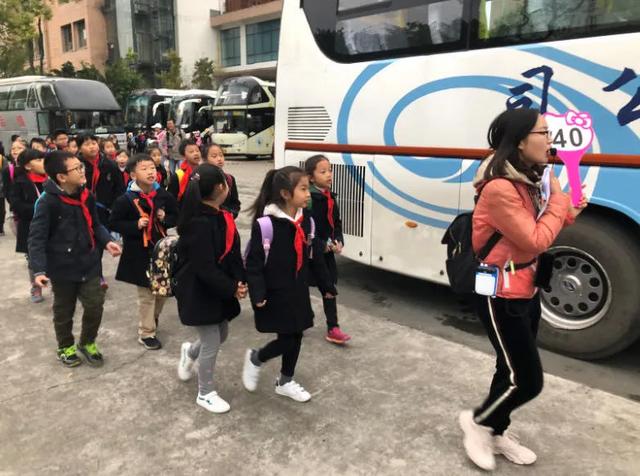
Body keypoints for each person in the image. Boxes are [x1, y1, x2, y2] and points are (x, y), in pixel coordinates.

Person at [459, 108, 587, 471]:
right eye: (543, 132)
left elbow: (542, 224)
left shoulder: (529, 179)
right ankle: (478, 422)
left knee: (509, 368)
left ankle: (496, 432)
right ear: (519, 141)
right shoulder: (500, 187)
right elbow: (534, 240)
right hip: (500, 293)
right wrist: (559, 200)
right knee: (529, 381)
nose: (550, 140)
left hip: (527, 287)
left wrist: (568, 208)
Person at [242, 166, 335, 403]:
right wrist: (257, 293)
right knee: (287, 339)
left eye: (307, 188)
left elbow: (314, 258)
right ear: (285, 194)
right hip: (275, 294)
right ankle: (257, 358)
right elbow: (254, 264)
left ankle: (285, 381)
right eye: (303, 189)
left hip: (298, 292)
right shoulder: (266, 225)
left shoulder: (307, 222)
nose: (308, 194)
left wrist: (326, 286)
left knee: (297, 335)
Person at [28, 150, 122, 367]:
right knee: (64, 311)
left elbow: (95, 224)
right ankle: (65, 346)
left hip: (89, 263)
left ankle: (87, 342)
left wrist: (107, 241)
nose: (82, 171)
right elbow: (36, 238)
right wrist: (39, 270)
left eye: (82, 166)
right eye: (77, 168)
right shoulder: (47, 202)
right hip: (62, 269)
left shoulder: (86, 195)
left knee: (95, 305)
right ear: (61, 177)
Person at [175, 164, 247, 413]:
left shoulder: (222, 216)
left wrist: (240, 281)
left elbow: (233, 254)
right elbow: (203, 268)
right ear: (220, 188)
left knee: (222, 332)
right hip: (198, 290)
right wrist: (231, 287)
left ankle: (190, 351)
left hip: (218, 287)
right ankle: (205, 393)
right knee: (212, 341)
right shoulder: (198, 224)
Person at [109, 154, 178, 350]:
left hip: (161, 251)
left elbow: (176, 215)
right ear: (133, 175)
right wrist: (135, 225)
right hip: (138, 253)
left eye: (152, 168)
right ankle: (146, 333)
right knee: (147, 295)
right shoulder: (126, 199)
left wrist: (165, 218)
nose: (150, 172)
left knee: (162, 291)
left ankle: (152, 319)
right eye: (144, 168)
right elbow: (113, 223)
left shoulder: (163, 195)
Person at [304, 155, 351, 345]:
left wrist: (338, 240)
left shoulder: (330, 196)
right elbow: (305, 229)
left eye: (330, 170)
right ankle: (301, 319)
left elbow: (336, 223)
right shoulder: (309, 199)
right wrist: (321, 244)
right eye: (323, 171)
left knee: (329, 287)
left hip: (327, 252)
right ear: (311, 177)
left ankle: (333, 327)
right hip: (310, 252)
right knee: (301, 286)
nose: (329, 174)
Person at [77, 134, 125, 289]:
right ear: (80, 148)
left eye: (93, 143)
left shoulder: (109, 164)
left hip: (103, 211)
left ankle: (97, 274)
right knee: (84, 242)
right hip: (81, 209)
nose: (92, 147)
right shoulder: (76, 166)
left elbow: (119, 188)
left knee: (98, 242)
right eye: (87, 144)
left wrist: (115, 207)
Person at [9, 148, 47, 302]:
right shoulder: (19, 182)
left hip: (52, 225)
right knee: (34, 259)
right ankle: (36, 287)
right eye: (38, 160)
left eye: (43, 159)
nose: (43, 163)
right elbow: (16, 204)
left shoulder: (51, 180)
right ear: (27, 166)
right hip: (31, 225)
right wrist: (38, 209)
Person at [203, 143, 240, 218]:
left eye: (221, 155)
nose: (219, 159)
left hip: (225, 220)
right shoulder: (201, 179)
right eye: (214, 156)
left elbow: (235, 203)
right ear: (205, 159)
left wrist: (231, 214)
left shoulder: (229, 179)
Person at [1, 138, 28, 235]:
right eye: (13, 148)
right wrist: (15, 204)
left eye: (19, 148)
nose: (15, 150)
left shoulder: (33, 166)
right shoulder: (8, 170)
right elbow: (7, 190)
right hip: (19, 209)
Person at [167, 139, 201, 205]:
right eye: (191, 152)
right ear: (183, 155)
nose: (196, 153)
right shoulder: (178, 175)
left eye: (197, 151)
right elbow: (171, 199)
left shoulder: (204, 171)